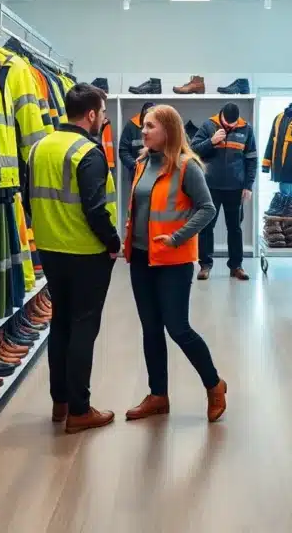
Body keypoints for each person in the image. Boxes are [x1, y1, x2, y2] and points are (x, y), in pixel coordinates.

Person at [123, 105, 227, 423]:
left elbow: (207, 208)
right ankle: (158, 395)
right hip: (141, 258)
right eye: (144, 125)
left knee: (178, 328)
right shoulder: (142, 163)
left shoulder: (186, 166)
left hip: (174, 260)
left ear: (168, 130)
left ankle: (214, 385)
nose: (143, 131)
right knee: (151, 329)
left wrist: (177, 237)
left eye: (150, 126)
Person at [28, 83, 120, 434]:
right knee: (83, 327)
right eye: (103, 113)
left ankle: (61, 402)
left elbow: (28, 198)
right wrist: (113, 242)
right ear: (91, 114)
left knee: (61, 324)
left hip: (50, 250)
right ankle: (80, 411)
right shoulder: (88, 153)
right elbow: (96, 210)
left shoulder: (39, 147)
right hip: (85, 252)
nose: (104, 119)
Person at [191, 102, 258, 281]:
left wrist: (248, 185)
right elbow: (192, 150)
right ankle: (205, 265)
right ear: (221, 117)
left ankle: (236, 266)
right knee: (206, 226)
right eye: (227, 124)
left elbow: (251, 159)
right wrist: (211, 142)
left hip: (236, 188)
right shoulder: (208, 125)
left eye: (233, 124)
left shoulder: (246, 129)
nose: (230, 127)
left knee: (235, 228)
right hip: (210, 187)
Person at [118, 101, 155, 180]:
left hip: (157, 173)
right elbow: (123, 151)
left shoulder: (161, 127)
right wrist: (135, 165)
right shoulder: (131, 126)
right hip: (137, 175)